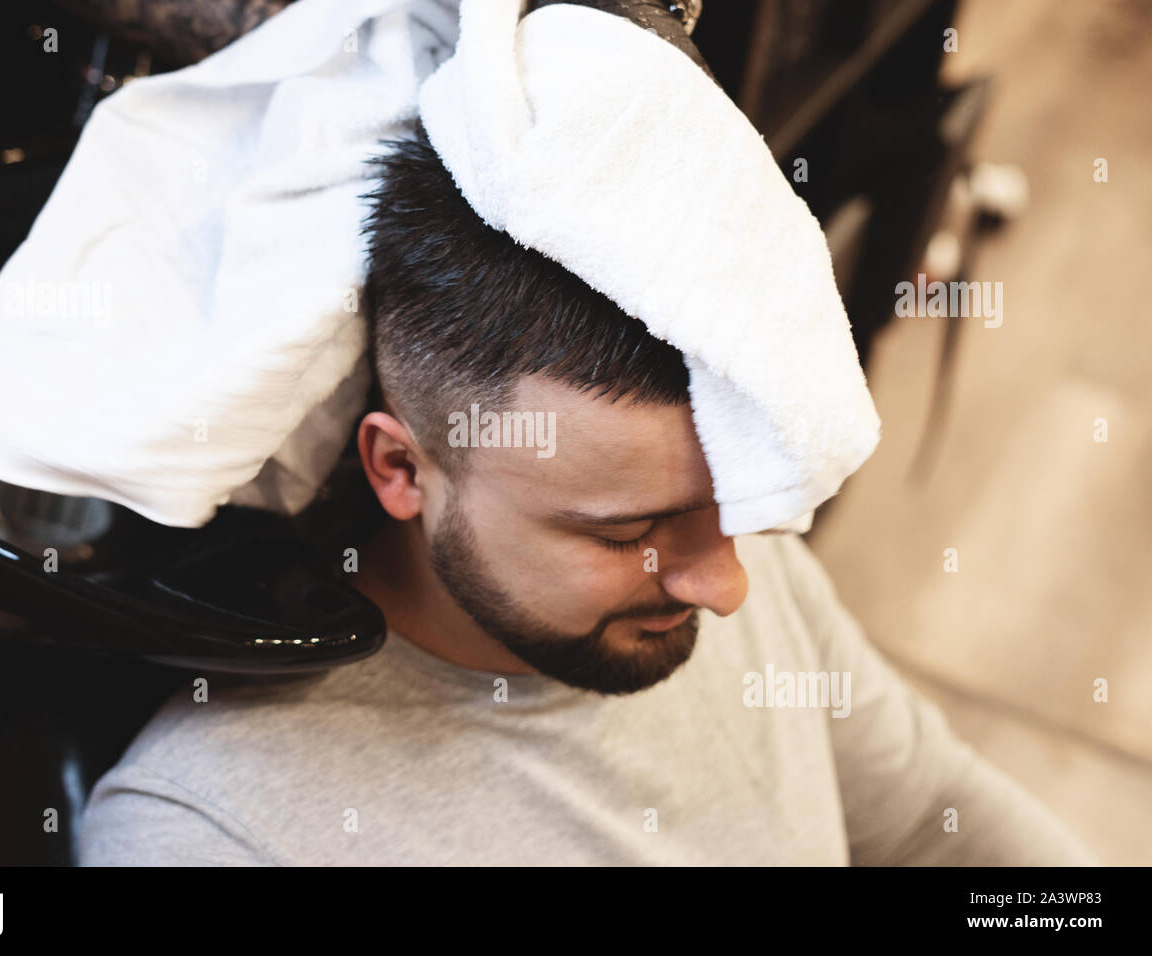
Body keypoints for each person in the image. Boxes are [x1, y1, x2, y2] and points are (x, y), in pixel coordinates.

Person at [77, 125, 1098, 865]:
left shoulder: (731, 561)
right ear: (403, 469)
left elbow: (927, 816)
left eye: (733, 502)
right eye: (629, 531)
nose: (728, 584)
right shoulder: (211, 831)